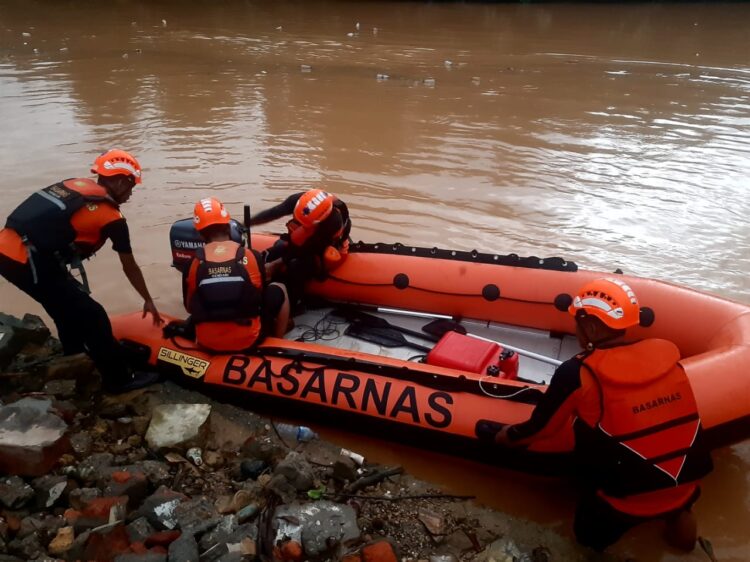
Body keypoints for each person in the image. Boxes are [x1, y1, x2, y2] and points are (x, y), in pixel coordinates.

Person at [495, 278, 713, 552]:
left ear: (592, 326)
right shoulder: (666, 357)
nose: (575, 330)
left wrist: (506, 436)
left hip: (622, 500)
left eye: (578, 323)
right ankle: (686, 551)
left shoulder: (578, 373)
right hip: (685, 486)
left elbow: (543, 429)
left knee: (588, 540)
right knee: (679, 509)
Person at [0, 149, 163, 393]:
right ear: (119, 181)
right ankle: (118, 380)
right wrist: (148, 299)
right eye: (130, 187)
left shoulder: (74, 187)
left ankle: (74, 357)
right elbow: (129, 265)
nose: (130, 194)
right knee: (94, 315)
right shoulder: (111, 217)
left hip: (8, 250)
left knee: (64, 307)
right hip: (28, 261)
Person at [179, 197, 290, 352]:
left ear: (200, 234)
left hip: (207, 342)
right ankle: (278, 344)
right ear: (228, 227)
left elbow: (190, 307)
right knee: (280, 288)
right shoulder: (251, 256)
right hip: (248, 339)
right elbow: (259, 296)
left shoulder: (193, 264)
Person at [250, 189, 351, 306]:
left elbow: (306, 249)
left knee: (296, 266)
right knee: (275, 250)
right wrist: (248, 223)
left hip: (327, 249)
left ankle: (296, 302)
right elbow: (274, 212)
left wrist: (276, 264)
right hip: (311, 239)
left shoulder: (333, 222)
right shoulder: (302, 201)